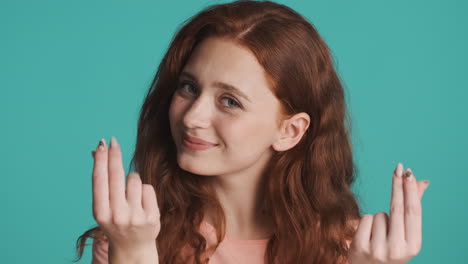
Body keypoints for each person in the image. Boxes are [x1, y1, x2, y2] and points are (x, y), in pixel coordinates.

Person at [73, 1, 430, 263]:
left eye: (229, 101)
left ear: (290, 131)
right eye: (188, 87)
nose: (192, 117)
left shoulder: (348, 250)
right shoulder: (132, 238)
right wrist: (134, 254)